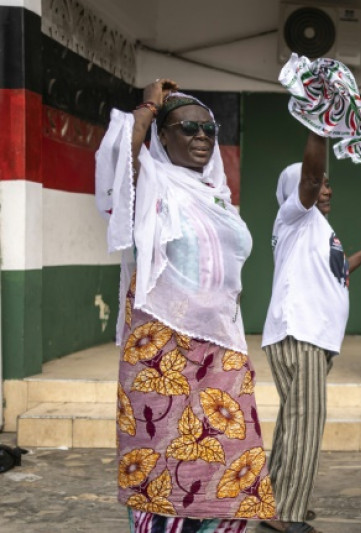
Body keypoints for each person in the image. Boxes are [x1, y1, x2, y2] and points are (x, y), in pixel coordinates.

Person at [96, 80, 275, 532]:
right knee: (159, 467)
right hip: (162, 350)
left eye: (208, 130)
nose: (200, 137)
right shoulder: (152, 184)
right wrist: (150, 106)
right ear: (163, 135)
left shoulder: (217, 196)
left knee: (234, 459)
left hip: (221, 348)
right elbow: (123, 160)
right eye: (187, 128)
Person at [261, 158, 361, 533]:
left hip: (310, 337)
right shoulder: (295, 215)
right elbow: (310, 177)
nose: (326, 189)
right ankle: (288, 514)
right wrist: (320, 124)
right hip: (301, 334)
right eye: (318, 183)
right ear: (299, 191)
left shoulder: (315, 226)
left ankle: (275, 503)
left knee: (293, 422)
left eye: (329, 184)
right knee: (306, 423)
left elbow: (333, 273)